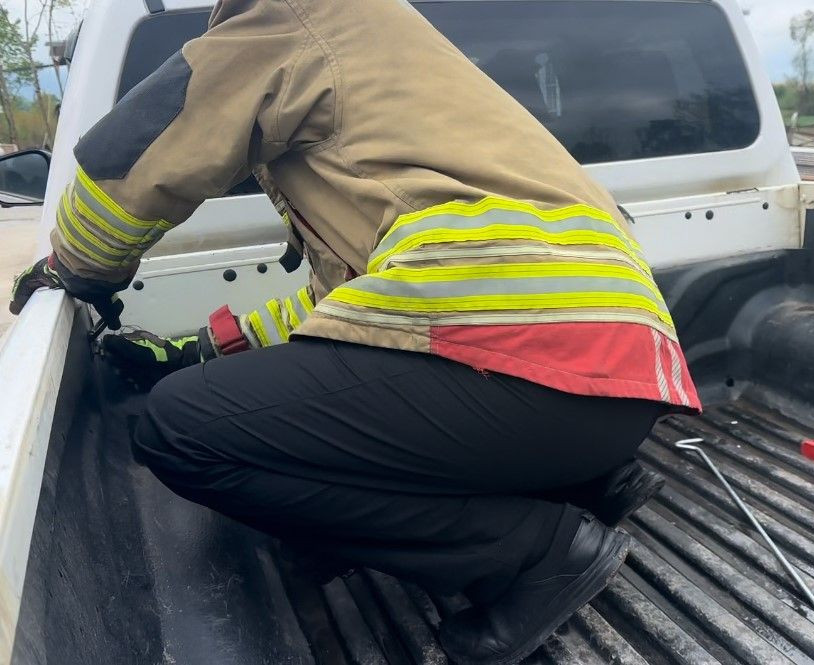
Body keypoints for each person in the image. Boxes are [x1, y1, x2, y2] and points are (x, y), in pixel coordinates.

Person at [8, 1, 700, 662]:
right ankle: (582, 487)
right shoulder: (396, 63)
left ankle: (532, 550)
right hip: (619, 389)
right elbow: (352, 312)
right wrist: (198, 347)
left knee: (180, 430)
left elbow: (141, 154)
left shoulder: (286, 15)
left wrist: (75, 264)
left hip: (515, 364)